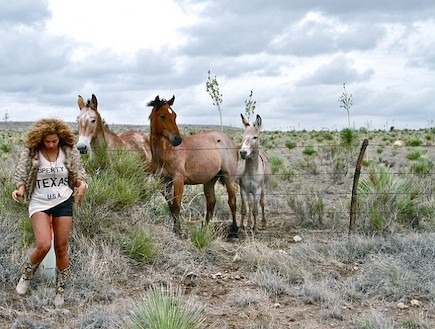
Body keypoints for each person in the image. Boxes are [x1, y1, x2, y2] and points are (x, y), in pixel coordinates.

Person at [12, 118, 87, 308]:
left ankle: (60, 289)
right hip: (39, 202)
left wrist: (82, 184)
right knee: (44, 244)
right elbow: (21, 175)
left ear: (60, 138)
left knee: (61, 247)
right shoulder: (32, 152)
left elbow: (78, 174)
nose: (52, 145)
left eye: (55, 141)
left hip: (63, 200)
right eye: (48, 142)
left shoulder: (69, 150)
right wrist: (19, 190)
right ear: (40, 140)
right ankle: (26, 277)